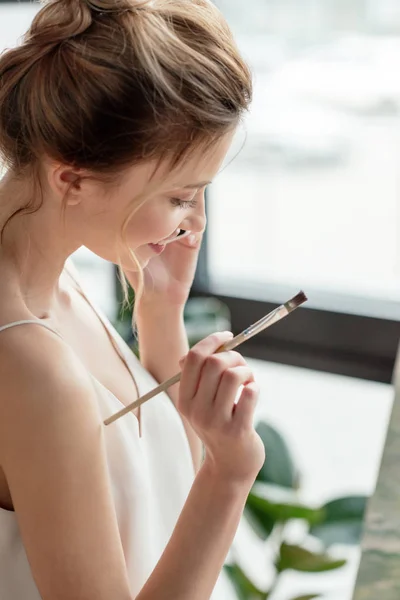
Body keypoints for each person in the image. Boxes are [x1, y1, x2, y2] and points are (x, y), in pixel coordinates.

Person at [0, 0, 265, 598]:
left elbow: (156, 479)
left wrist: (161, 311)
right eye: (180, 196)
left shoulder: (50, 275)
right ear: (72, 178)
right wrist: (230, 475)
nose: (194, 223)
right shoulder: (29, 363)